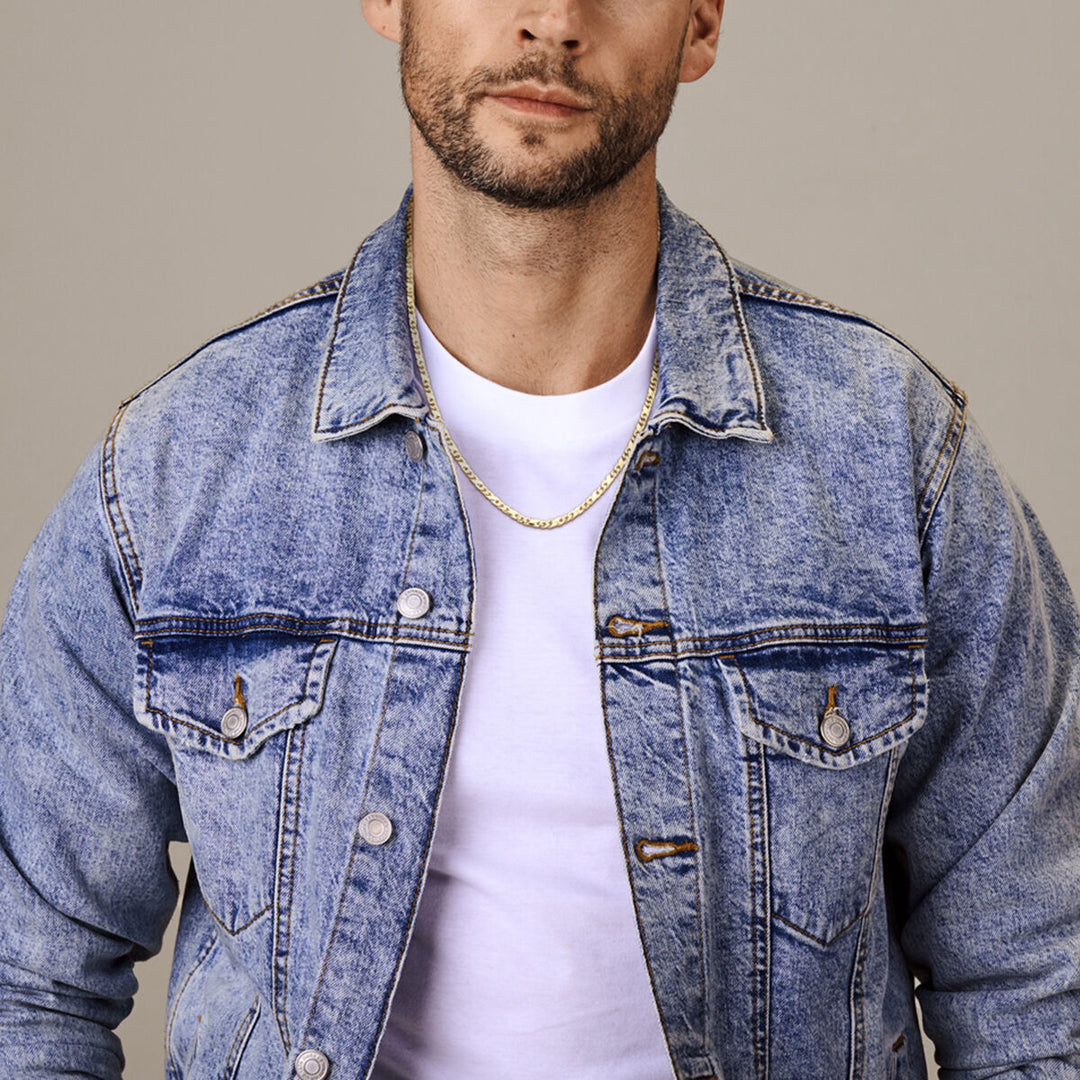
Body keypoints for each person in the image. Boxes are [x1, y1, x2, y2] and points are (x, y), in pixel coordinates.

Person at [1, 0, 1078, 1076]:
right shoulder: (183, 464)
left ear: (701, 25)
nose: (553, 19)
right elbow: (24, 984)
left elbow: (1041, 979)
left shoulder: (887, 449)